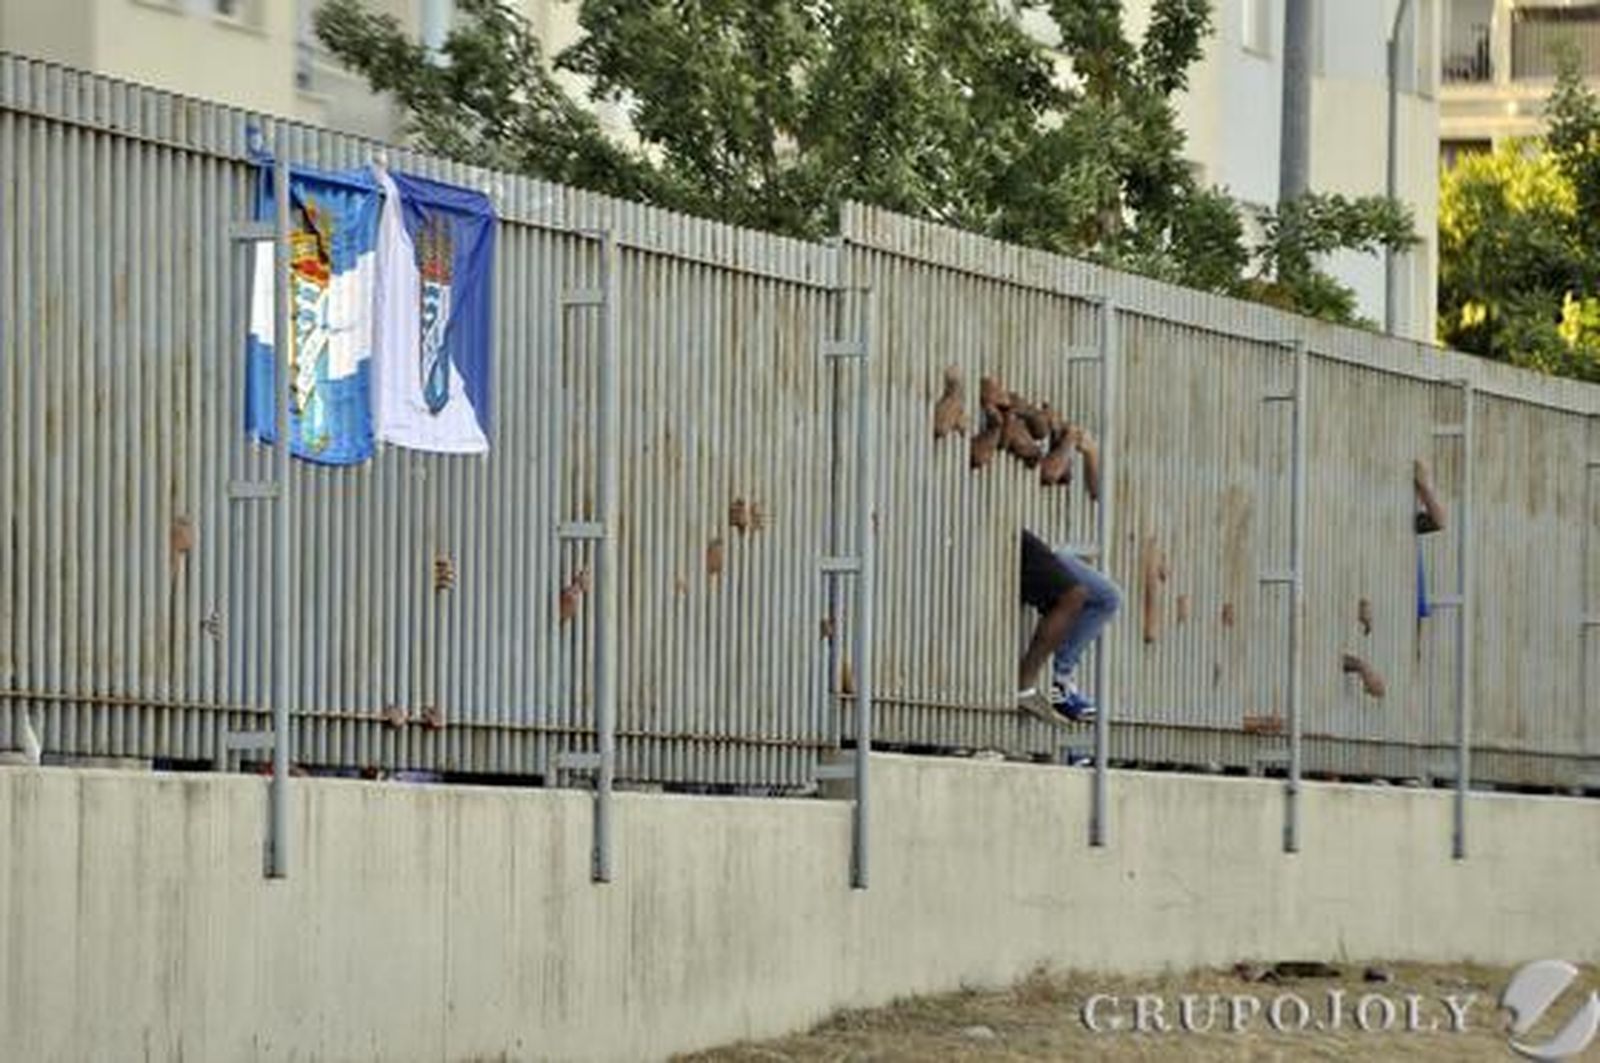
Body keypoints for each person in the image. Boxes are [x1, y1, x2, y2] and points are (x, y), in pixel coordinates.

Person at [1017, 530, 1121, 723]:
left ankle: (1061, 681)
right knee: (1074, 595)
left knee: (1107, 597)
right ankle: (1035, 685)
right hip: (1039, 544)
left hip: (1052, 548)